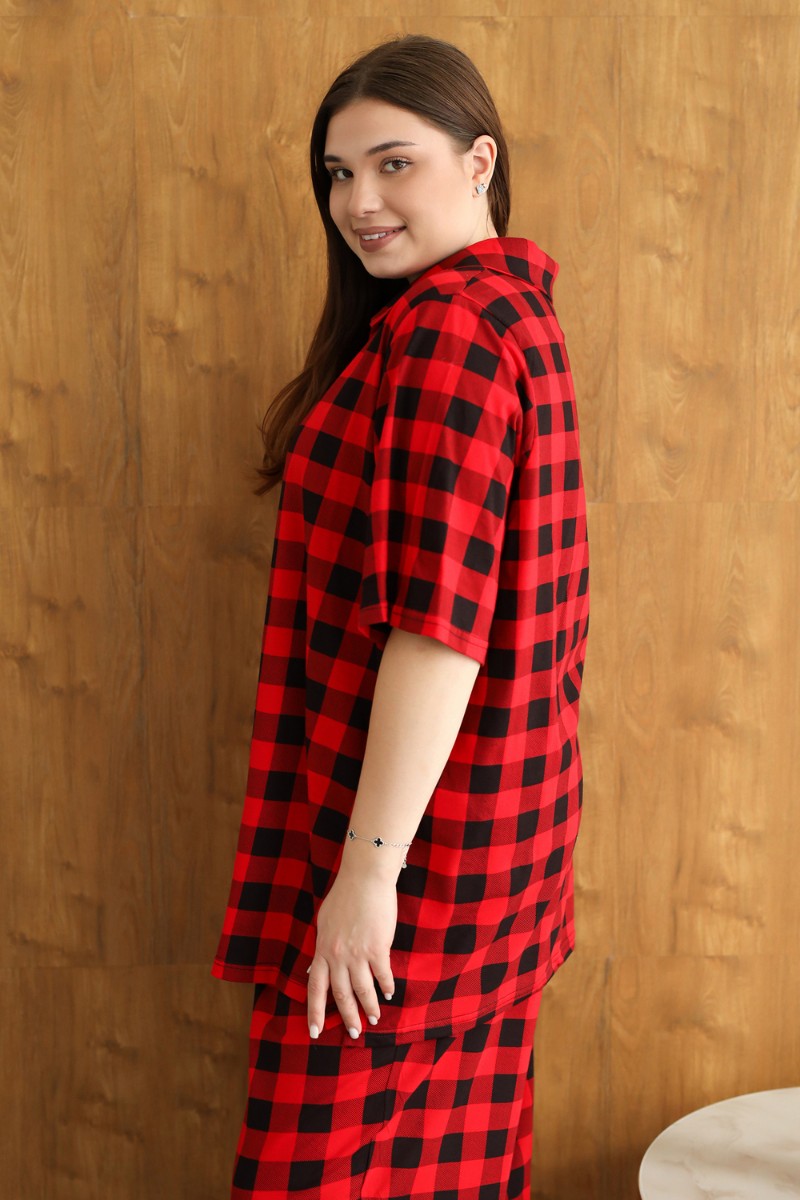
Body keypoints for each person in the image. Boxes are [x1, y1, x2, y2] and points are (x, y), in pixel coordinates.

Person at [212, 31, 590, 1200]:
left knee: (323, 1171)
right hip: (490, 843)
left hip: (415, 862)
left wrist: (367, 874)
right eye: (338, 174)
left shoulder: (446, 336)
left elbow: (438, 629)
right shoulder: (508, 313)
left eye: (393, 164)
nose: (358, 203)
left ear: (478, 162)